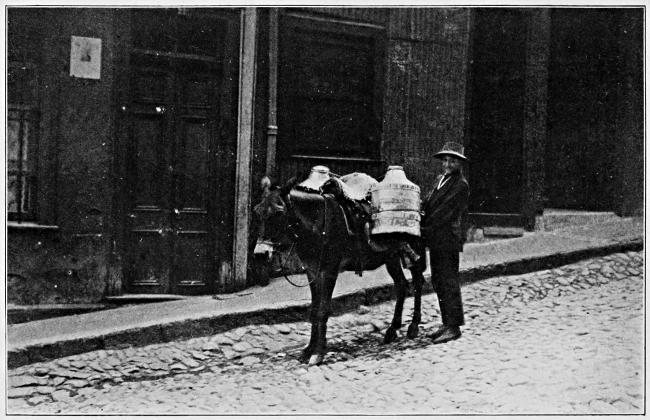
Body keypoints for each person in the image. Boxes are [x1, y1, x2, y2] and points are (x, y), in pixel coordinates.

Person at [421, 142, 469, 344]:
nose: (448, 164)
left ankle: (454, 326)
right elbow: (430, 203)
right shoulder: (440, 180)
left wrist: (423, 229)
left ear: (459, 164)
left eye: (453, 161)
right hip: (436, 238)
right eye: (446, 160)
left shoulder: (460, 185)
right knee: (438, 280)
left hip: (447, 238)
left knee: (448, 280)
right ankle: (446, 322)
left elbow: (444, 213)